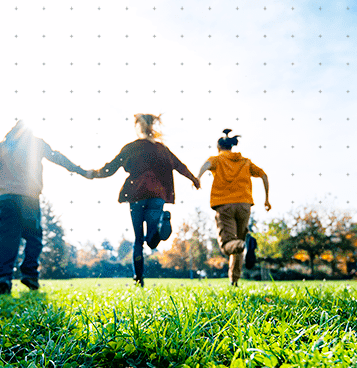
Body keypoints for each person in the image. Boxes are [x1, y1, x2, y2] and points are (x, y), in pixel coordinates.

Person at [0, 120, 90, 295]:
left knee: (7, 238)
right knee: (34, 237)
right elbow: (57, 157)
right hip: (30, 198)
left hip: (7, 198)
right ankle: (29, 274)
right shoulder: (37, 144)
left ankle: (3, 279)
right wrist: (80, 170)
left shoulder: (2, 146)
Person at [90, 113, 200, 287]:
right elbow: (180, 166)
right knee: (152, 238)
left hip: (136, 195)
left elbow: (111, 168)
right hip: (158, 196)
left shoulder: (131, 148)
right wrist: (194, 179)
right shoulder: (162, 149)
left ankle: (138, 278)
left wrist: (93, 174)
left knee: (138, 240)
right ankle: (161, 225)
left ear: (138, 127)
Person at [197, 129, 270, 287]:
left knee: (228, 245)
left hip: (224, 205)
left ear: (219, 147)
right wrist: (267, 199)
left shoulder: (217, 159)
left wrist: (197, 178)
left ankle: (245, 244)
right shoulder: (245, 161)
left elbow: (206, 165)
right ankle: (234, 281)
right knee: (237, 243)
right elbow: (264, 175)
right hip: (244, 205)